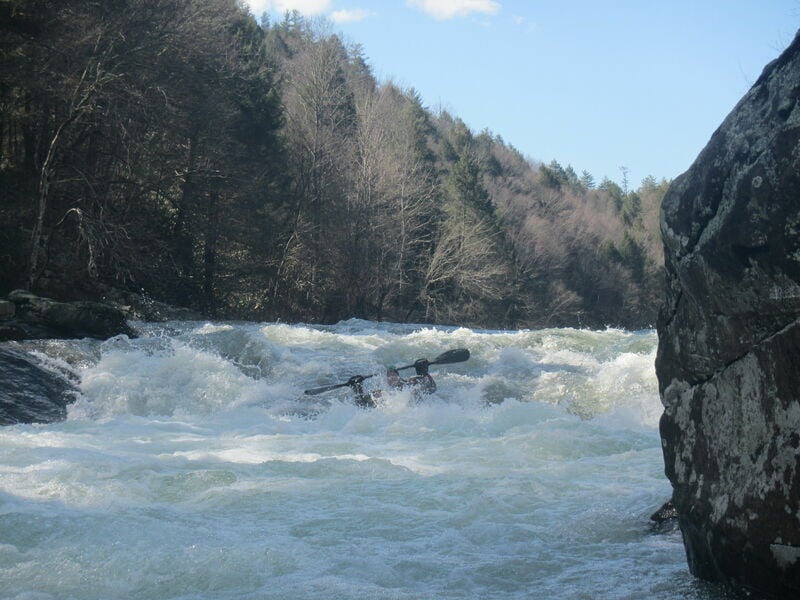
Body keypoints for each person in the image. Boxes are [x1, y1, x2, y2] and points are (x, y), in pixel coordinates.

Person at [347, 358, 436, 408]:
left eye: (393, 375)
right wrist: (357, 388)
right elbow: (361, 404)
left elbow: (432, 388)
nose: (391, 378)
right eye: (388, 376)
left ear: (398, 376)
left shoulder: (410, 384)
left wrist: (423, 372)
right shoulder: (382, 393)